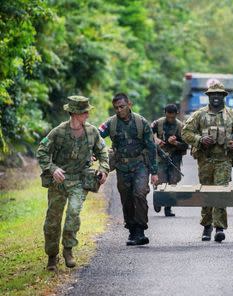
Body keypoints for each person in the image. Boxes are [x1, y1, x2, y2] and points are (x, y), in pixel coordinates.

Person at [37, 96, 109, 271]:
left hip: (79, 180)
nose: (87, 114)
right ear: (74, 113)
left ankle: (68, 250)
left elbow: (102, 150)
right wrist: (53, 168)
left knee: (73, 213)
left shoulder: (92, 132)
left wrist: (104, 168)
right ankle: (52, 256)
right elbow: (42, 151)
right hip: (59, 182)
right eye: (84, 111)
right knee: (53, 220)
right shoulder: (58, 132)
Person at [182, 81, 233, 243]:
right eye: (212, 94)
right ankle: (207, 226)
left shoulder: (232, 116)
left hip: (224, 160)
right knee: (206, 192)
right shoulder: (199, 115)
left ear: (224, 96)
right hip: (205, 160)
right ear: (208, 97)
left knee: (221, 192)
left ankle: (219, 228)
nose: (216, 97)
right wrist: (200, 139)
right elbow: (186, 132)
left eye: (219, 94)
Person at [99, 93, 158, 246]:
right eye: (116, 108)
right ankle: (132, 230)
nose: (119, 110)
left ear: (129, 105)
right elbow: (97, 136)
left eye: (122, 107)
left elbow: (151, 147)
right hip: (122, 167)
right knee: (127, 199)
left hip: (140, 165)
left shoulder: (141, 122)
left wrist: (155, 172)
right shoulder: (111, 123)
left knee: (139, 194)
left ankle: (140, 230)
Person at [151, 104, 188, 217]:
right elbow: (147, 133)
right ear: (165, 113)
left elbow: (186, 145)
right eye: (168, 116)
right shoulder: (158, 123)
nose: (170, 119)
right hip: (160, 156)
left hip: (175, 158)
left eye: (172, 117)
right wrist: (156, 139)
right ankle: (158, 199)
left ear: (176, 114)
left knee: (172, 182)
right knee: (159, 180)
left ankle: (168, 208)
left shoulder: (181, 127)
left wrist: (175, 143)